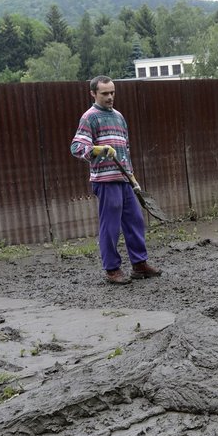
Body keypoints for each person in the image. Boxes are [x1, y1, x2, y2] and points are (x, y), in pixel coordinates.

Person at [70, 76, 161, 285]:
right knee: (110, 226)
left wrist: (132, 177)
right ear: (93, 94)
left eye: (112, 92)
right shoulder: (90, 117)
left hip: (124, 179)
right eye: (105, 93)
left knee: (135, 221)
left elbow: (125, 150)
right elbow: (76, 148)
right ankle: (112, 269)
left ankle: (139, 265)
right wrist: (97, 149)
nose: (110, 97)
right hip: (105, 181)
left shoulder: (119, 117)